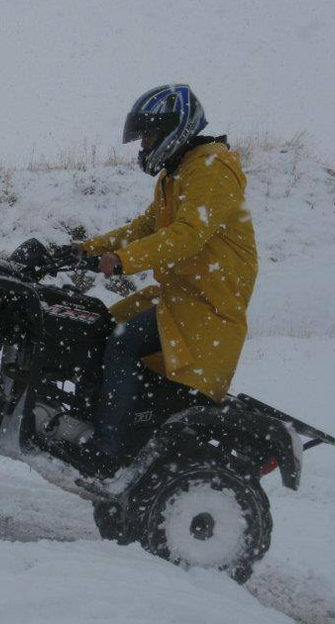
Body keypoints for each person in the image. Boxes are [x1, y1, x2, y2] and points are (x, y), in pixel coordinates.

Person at [55, 84, 258, 475]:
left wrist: (121, 260)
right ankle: (89, 419)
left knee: (123, 343)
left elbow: (188, 234)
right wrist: (83, 250)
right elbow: (145, 227)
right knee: (97, 324)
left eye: (148, 136)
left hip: (209, 307)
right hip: (182, 298)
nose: (144, 145)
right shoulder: (176, 174)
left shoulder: (212, 167)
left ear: (175, 129)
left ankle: (107, 449)